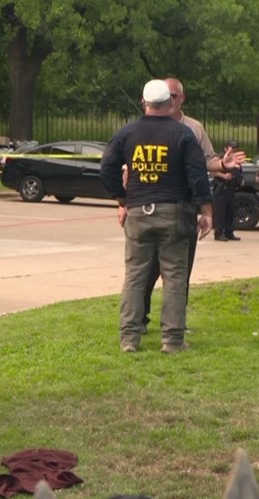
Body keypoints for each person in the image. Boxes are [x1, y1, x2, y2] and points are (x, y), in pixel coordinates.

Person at [100, 79, 214, 354]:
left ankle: (129, 338)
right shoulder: (183, 134)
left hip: (138, 211)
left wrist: (122, 198)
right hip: (173, 212)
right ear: (169, 103)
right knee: (174, 276)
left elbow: (107, 167)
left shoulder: (128, 133)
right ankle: (173, 340)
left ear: (144, 103)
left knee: (135, 276)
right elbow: (197, 175)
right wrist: (206, 210)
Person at [139, 77, 246, 332]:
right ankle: (139, 319)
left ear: (181, 98)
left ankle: (175, 323)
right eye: (165, 96)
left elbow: (206, 161)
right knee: (146, 269)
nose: (169, 100)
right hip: (151, 206)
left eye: (173, 95)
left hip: (184, 208)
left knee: (179, 271)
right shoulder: (145, 127)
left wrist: (222, 165)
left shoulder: (194, 129)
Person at [210, 140, 244, 241]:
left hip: (231, 189)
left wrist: (240, 179)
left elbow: (238, 171)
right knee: (220, 213)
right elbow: (211, 171)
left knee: (230, 212)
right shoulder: (220, 159)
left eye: (235, 148)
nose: (234, 150)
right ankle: (219, 233)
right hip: (221, 189)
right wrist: (223, 176)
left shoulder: (236, 159)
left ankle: (229, 232)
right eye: (231, 148)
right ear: (225, 148)